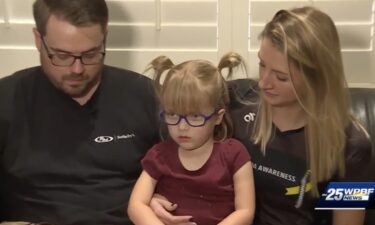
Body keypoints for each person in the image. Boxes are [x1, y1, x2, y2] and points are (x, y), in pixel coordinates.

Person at [151, 6, 372, 225]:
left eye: (281, 77)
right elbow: (175, 135)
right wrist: (156, 197)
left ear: (317, 78)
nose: (264, 82)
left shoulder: (353, 145)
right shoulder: (235, 99)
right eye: (262, 64)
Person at [0, 0, 160, 224]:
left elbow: (192, 170)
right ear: (38, 40)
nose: (77, 69)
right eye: (62, 56)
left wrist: (164, 198)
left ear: (105, 37)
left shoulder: (147, 96)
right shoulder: (7, 100)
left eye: (90, 54)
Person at [127, 54, 255, 225]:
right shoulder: (159, 155)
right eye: (172, 115)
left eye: (195, 116)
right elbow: (136, 205)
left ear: (218, 117)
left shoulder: (234, 154)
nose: (182, 127)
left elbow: (245, 211)